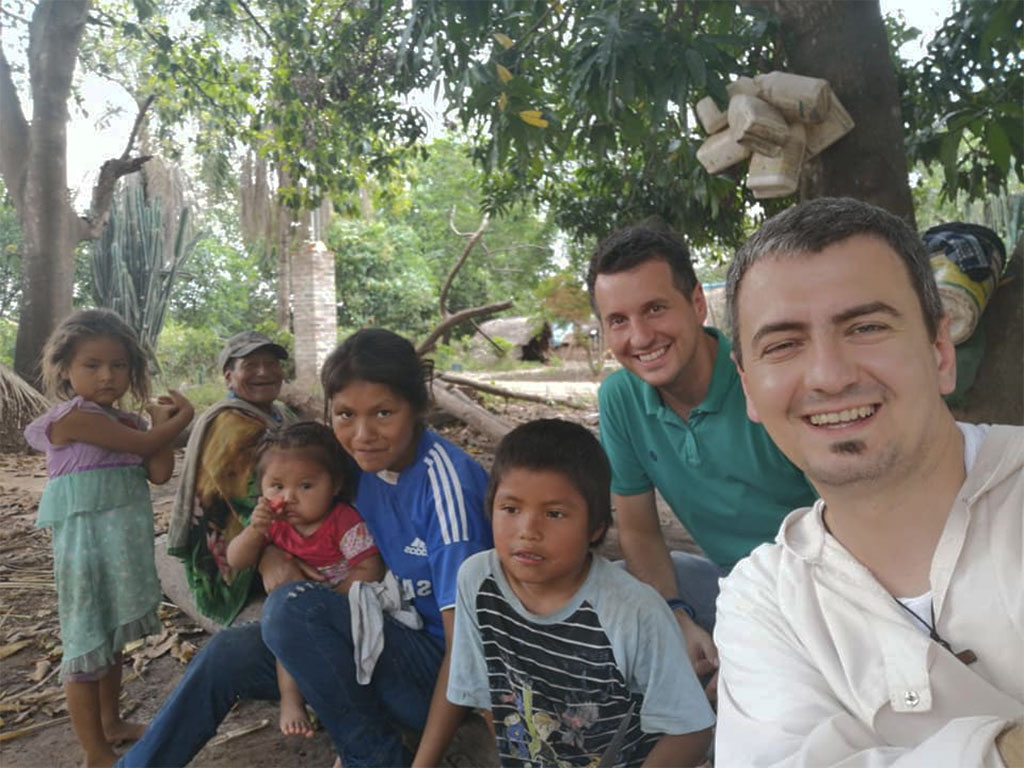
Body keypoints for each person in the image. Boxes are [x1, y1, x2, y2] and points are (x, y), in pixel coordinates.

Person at [715, 196, 1024, 765]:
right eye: (782, 345)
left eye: (866, 327)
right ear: (748, 387)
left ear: (940, 351)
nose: (830, 376)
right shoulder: (765, 602)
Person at [119, 328, 493, 768]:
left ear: (418, 405)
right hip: (372, 637)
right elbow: (287, 512)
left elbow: (466, 650)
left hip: (433, 677)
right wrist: (270, 553)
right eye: (345, 414)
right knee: (228, 654)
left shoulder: (445, 488)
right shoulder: (354, 464)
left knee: (293, 607)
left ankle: (374, 759)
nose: (363, 434)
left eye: (383, 413)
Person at [587, 226, 817, 686]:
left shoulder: (764, 378)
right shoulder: (620, 398)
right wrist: (674, 615)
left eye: (655, 309)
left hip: (818, 585)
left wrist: (754, 640)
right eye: (618, 320)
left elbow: (848, 529)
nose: (640, 337)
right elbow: (638, 530)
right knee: (603, 592)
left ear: (696, 303)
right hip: (728, 582)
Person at [444, 419, 715, 766]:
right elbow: (488, 701)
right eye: (511, 509)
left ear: (596, 528)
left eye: (554, 514)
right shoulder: (478, 580)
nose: (528, 531)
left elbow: (691, 731)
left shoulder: (633, 611)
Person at [24, 309, 194, 767]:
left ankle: (112, 724)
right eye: (92, 365)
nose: (107, 376)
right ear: (65, 369)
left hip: (122, 550)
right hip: (85, 555)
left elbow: (159, 472)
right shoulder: (74, 418)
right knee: (86, 646)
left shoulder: (130, 424)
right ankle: (95, 752)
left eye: (119, 365)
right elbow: (143, 447)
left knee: (110, 640)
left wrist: (158, 422)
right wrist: (181, 420)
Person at [225, 421, 384, 738]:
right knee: (287, 638)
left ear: (335, 485)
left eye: (306, 486)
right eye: (276, 486)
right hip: (298, 618)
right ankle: (291, 700)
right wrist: (255, 530)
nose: (289, 498)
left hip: (344, 607)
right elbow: (235, 559)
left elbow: (370, 569)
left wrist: (325, 599)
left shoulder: (343, 521)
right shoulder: (272, 522)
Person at [166, 330, 297, 626]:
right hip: (235, 552)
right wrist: (270, 554)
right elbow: (249, 505)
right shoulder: (231, 424)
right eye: (250, 365)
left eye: (271, 364)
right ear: (228, 378)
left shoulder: (279, 414)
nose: (264, 372)